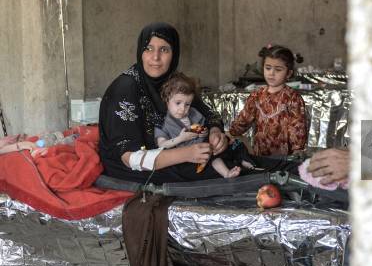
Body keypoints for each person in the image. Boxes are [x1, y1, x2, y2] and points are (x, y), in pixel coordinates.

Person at [98, 22, 229, 184]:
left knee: (231, 153)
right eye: (149, 48)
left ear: (174, 54)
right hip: (134, 169)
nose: (155, 57)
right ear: (140, 51)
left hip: (175, 153)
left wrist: (215, 132)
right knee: (217, 172)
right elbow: (129, 158)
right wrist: (186, 154)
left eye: (164, 49)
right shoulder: (125, 89)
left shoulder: (175, 82)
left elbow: (209, 114)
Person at [155, 72, 241, 178]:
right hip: (181, 158)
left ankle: (227, 173)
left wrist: (204, 132)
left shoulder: (193, 113)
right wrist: (180, 138)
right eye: (178, 103)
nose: (182, 109)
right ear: (167, 100)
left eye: (187, 104)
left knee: (230, 147)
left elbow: (204, 126)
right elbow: (162, 145)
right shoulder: (162, 121)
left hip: (201, 150)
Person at [229, 44, 307, 156]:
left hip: (285, 158)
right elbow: (244, 119)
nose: (271, 73)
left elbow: (298, 127)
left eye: (278, 69)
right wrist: (231, 133)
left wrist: (297, 149)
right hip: (260, 156)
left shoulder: (293, 98)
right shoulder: (256, 95)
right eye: (268, 68)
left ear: (289, 73)